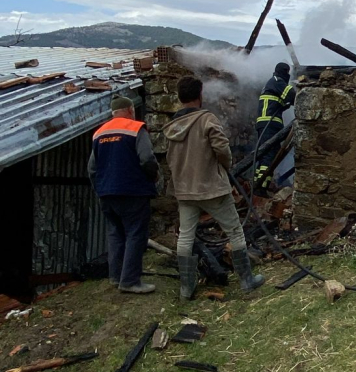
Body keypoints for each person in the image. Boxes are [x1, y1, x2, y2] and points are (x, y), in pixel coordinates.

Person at [164, 75, 264, 300]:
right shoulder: (207, 119)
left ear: (180, 97)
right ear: (200, 95)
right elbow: (222, 150)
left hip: (185, 190)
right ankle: (247, 281)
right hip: (211, 187)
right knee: (235, 230)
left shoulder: (172, 126)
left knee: (185, 236)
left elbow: (171, 160)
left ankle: (186, 289)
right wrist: (225, 168)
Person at [88, 96, 158, 294]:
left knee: (115, 233)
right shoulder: (136, 128)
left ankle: (116, 276)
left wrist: (100, 189)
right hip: (133, 191)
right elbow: (147, 158)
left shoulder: (99, 133)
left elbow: (92, 168)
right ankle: (130, 281)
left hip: (106, 194)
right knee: (136, 233)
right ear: (130, 110)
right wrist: (153, 176)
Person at [254, 61, 296, 190]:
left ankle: (257, 184)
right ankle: (261, 187)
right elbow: (291, 95)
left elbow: (280, 102)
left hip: (266, 124)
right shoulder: (277, 81)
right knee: (269, 155)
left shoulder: (272, 83)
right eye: (287, 72)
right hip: (269, 124)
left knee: (266, 155)